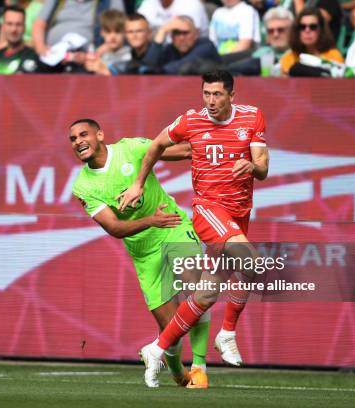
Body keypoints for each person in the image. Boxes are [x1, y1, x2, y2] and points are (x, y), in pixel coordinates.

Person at [118, 70, 270, 385]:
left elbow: (263, 168)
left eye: (217, 95)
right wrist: (137, 185)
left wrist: (252, 166)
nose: (211, 101)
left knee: (206, 293)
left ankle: (157, 348)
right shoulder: (190, 121)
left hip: (239, 211)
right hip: (208, 209)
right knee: (251, 260)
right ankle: (227, 334)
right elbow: (157, 145)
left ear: (231, 95)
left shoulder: (253, 117)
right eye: (206, 94)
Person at [69, 119, 211, 389]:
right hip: (143, 252)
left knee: (198, 287)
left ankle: (200, 366)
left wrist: (219, 147)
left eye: (83, 134)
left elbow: (183, 151)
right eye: (73, 139)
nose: (78, 142)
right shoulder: (83, 186)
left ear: (100, 134)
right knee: (171, 328)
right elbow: (114, 228)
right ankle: (178, 373)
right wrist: (149, 222)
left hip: (172, 226)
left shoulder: (131, 148)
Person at [227, 6, 294, 76]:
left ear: (292, 31)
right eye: (270, 31)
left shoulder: (299, 55)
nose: (275, 34)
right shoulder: (260, 53)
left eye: (281, 30)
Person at [143, 15, 221, 74]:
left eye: (185, 33)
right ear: (172, 37)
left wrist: (156, 71)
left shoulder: (206, 46)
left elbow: (181, 66)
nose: (181, 38)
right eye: (177, 33)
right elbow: (146, 67)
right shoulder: (170, 49)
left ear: (196, 34)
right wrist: (162, 31)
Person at [279, 7, 344, 76]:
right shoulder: (289, 58)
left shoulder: (334, 56)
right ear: (297, 31)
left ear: (321, 30)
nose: (307, 30)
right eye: (302, 27)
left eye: (313, 27)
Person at [0, 5, 39, 74]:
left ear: (24, 27)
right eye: (9, 24)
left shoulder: (33, 57)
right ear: (3, 26)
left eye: (18, 24)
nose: (13, 29)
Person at [84, 9, 131, 75]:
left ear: (125, 32)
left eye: (117, 32)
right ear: (102, 33)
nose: (112, 36)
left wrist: (103, 69)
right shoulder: (98, 54)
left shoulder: (130, 55)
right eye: (108, 32)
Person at [137, 0, 210, 38]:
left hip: (194, 52)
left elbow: (189, 39)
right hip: (163, 50)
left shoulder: (191, 4)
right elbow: (135, 26)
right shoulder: (148, 3)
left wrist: (163, 31)